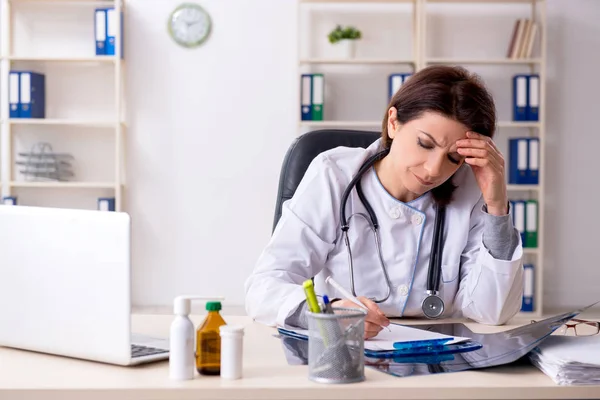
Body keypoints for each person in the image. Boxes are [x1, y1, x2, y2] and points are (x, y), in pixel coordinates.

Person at [245, 65, 524, 339]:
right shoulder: (334, 174)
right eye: (425, 144)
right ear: (393, 122)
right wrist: (326, 314)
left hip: (435, 356)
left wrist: (497, 206)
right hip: (346, 350)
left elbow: (492, 312)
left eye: (453, 158)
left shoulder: (470, 190)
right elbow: (264, 287)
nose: (433, 170)